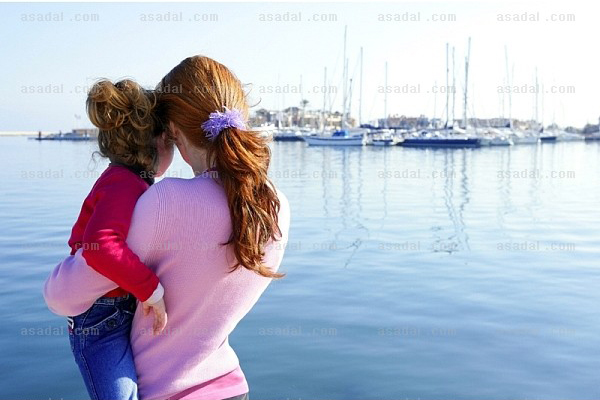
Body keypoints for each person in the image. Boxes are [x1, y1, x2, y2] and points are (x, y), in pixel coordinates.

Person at [44, 56, 290, 400]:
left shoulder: (165, 202)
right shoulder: (274, 206)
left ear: (172, 131)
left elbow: (63, 296)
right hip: (231, 387)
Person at [56, 79, 174, 400]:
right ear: (160, 141)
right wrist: (152, 291)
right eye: (174, 143)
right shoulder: (124, 183)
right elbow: (102, 246)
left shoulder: (127, 180)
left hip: (114, 309)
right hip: (99, 319)